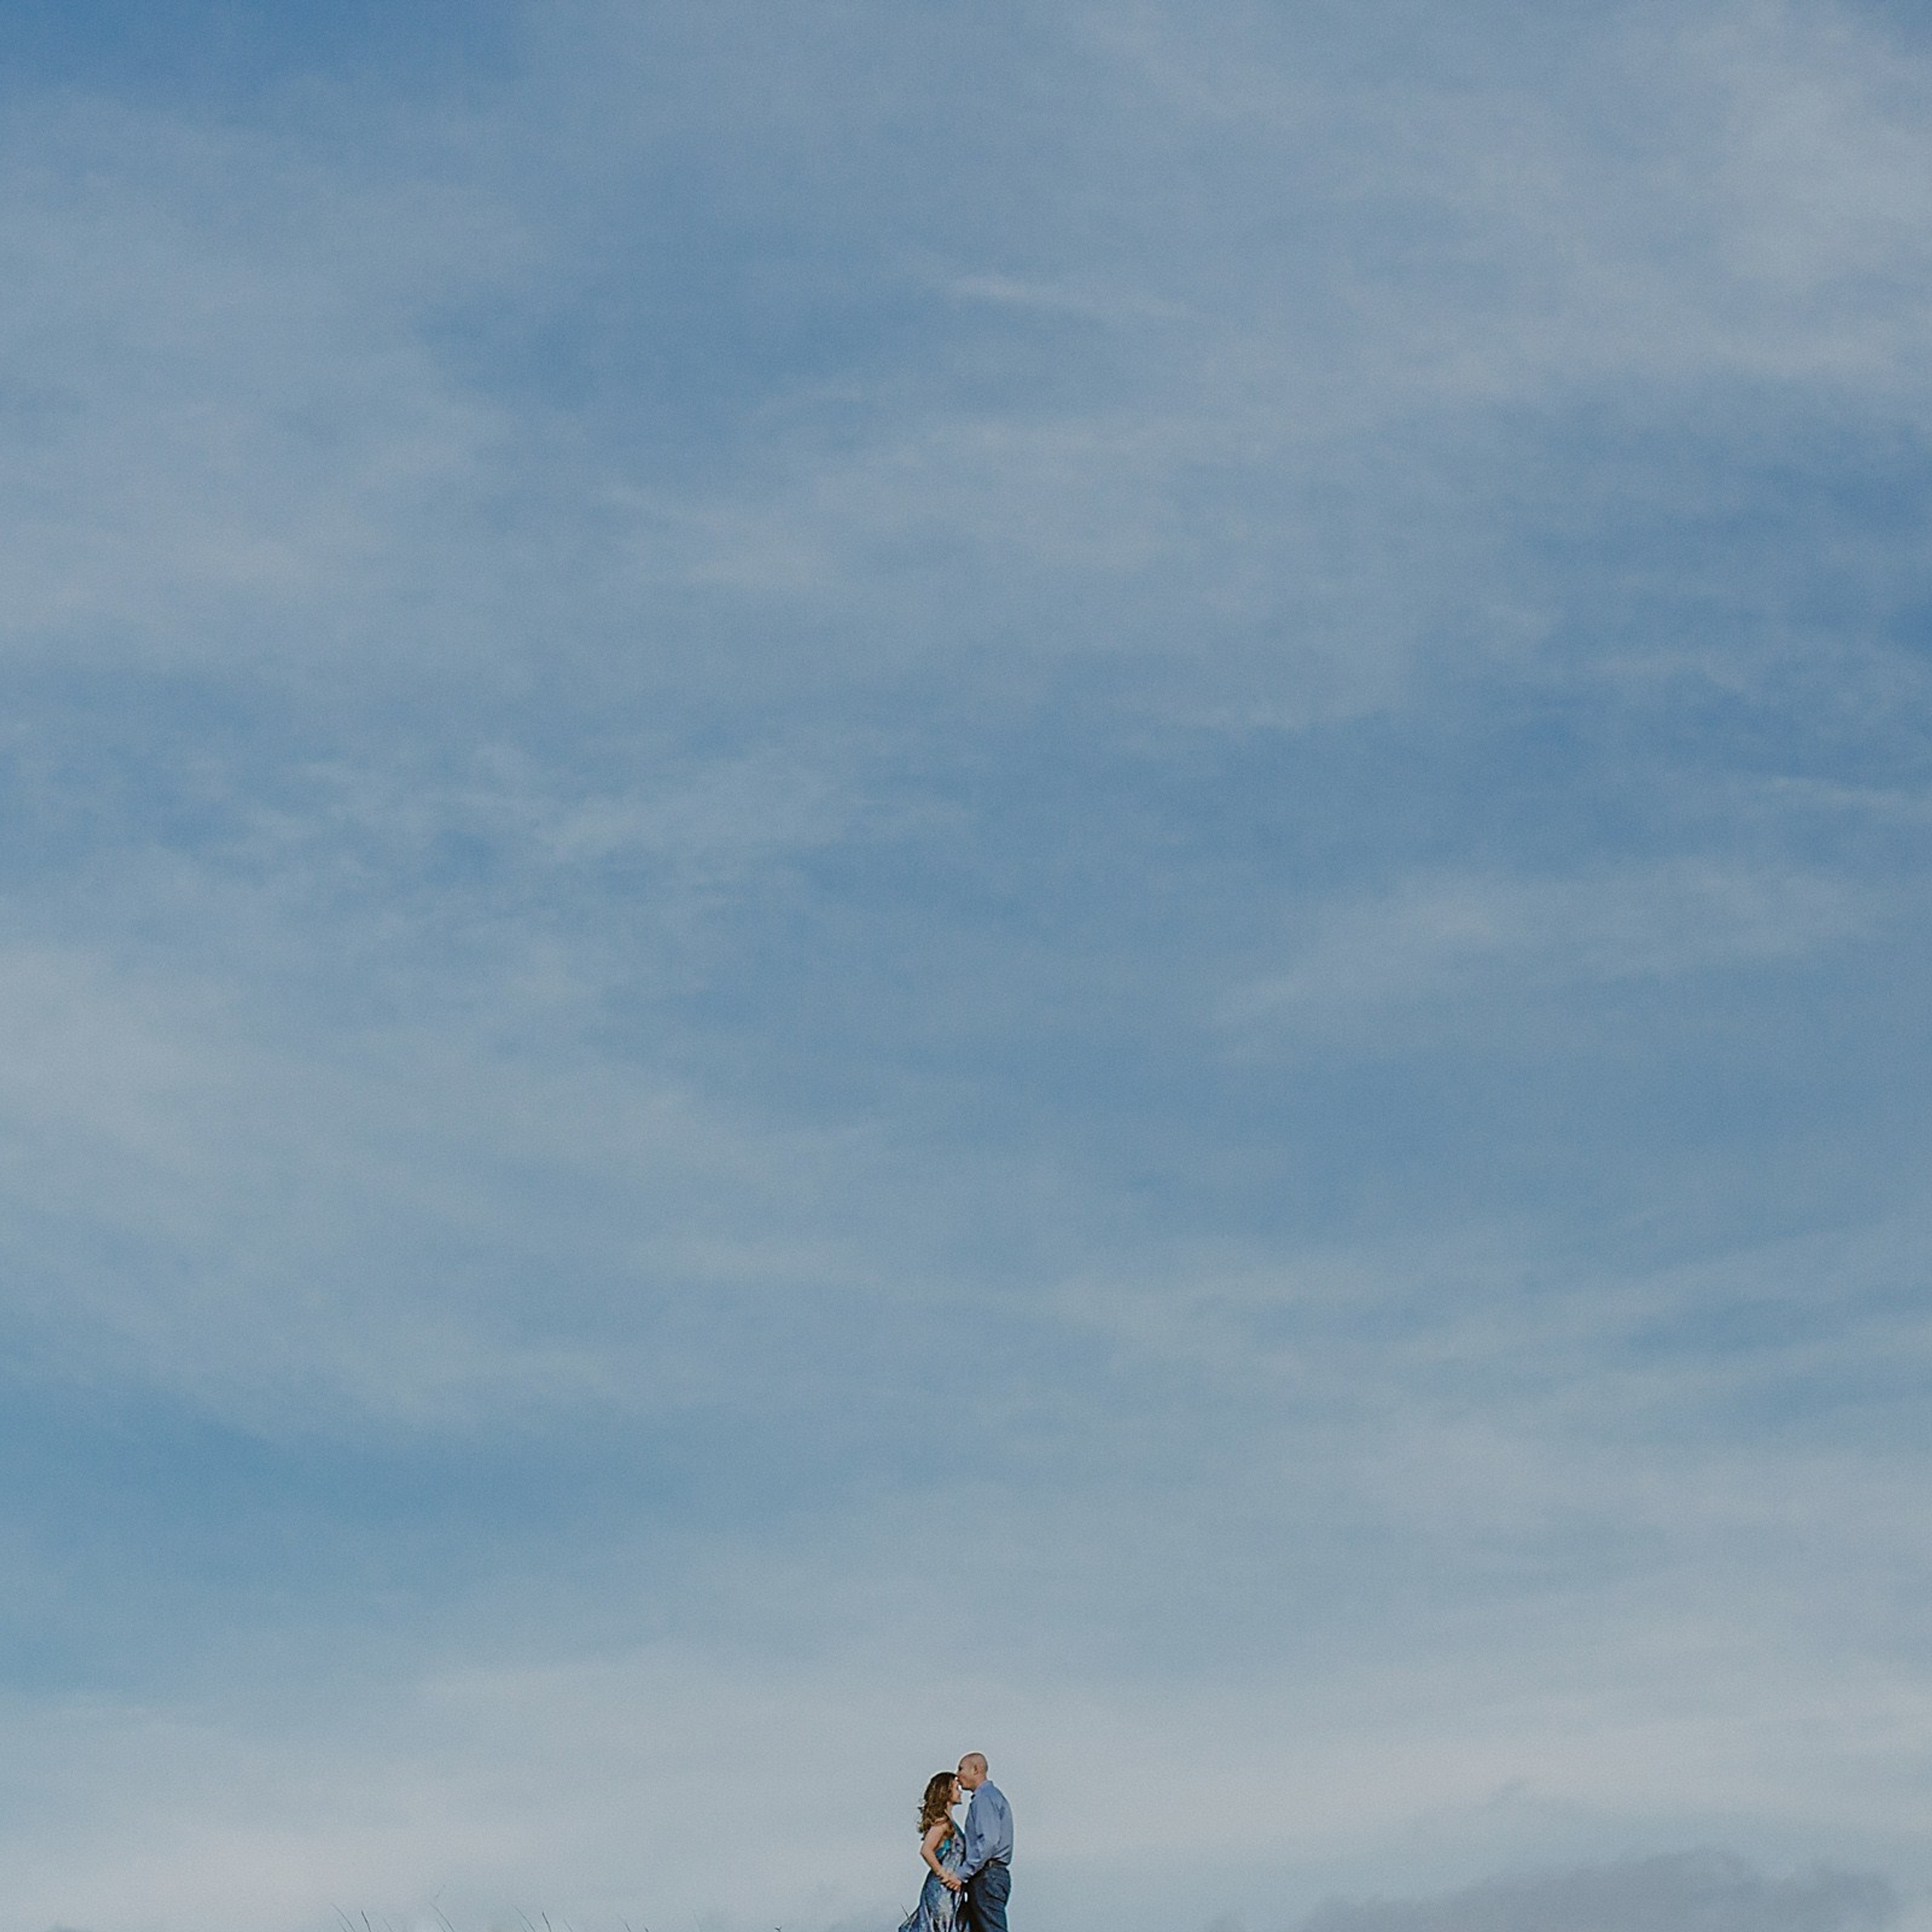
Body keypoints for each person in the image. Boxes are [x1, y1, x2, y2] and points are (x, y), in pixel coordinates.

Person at [948, 1753, 1012, 1932]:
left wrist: (962, 1873)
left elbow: (989, 1842)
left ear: (975, 1769)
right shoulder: (990, 1797)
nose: (957, 1775)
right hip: (989, 1875)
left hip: (987, 1876)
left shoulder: (985, 1799)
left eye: (961, 1769)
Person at [898, 1770, 967, 1932]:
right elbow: (926, 1850)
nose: (960, 1792)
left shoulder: (949, 1822)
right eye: (956, 1788)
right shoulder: (942, 1823)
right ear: (946, 1792)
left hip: (950, 1891)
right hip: (941, 1890)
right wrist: (943, 1875)